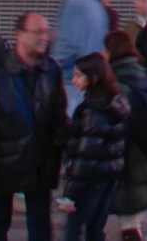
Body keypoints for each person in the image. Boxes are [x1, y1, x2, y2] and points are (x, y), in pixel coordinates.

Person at [0, 12, 66, 241]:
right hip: (1, 163)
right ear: (20, 35)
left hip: (39, 163)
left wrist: (66, 151)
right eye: (37, 32)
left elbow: (58, 118)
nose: (44, 38)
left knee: (41, 230)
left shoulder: (51, 71)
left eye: (46, 32)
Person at [102, 33, 147, 241]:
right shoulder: (146, 74)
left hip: (126, 156)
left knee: (121, 213)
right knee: (130, 218)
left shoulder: (114, 81)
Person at [56, 55, 127, 241]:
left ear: (93, 78)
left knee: (74, 231)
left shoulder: (93, 112)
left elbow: (85, 157)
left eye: (79, 76)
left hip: (88, 182)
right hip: (108, 177)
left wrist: (69, 195)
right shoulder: (115, 105)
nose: (74, 81)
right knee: (95, 230)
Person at [46, 0, 107, 114]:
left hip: (71, 82)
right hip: (92, 80)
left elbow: (66, 47)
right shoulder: (94, 3)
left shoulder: (73, 4)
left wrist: (47, 69)